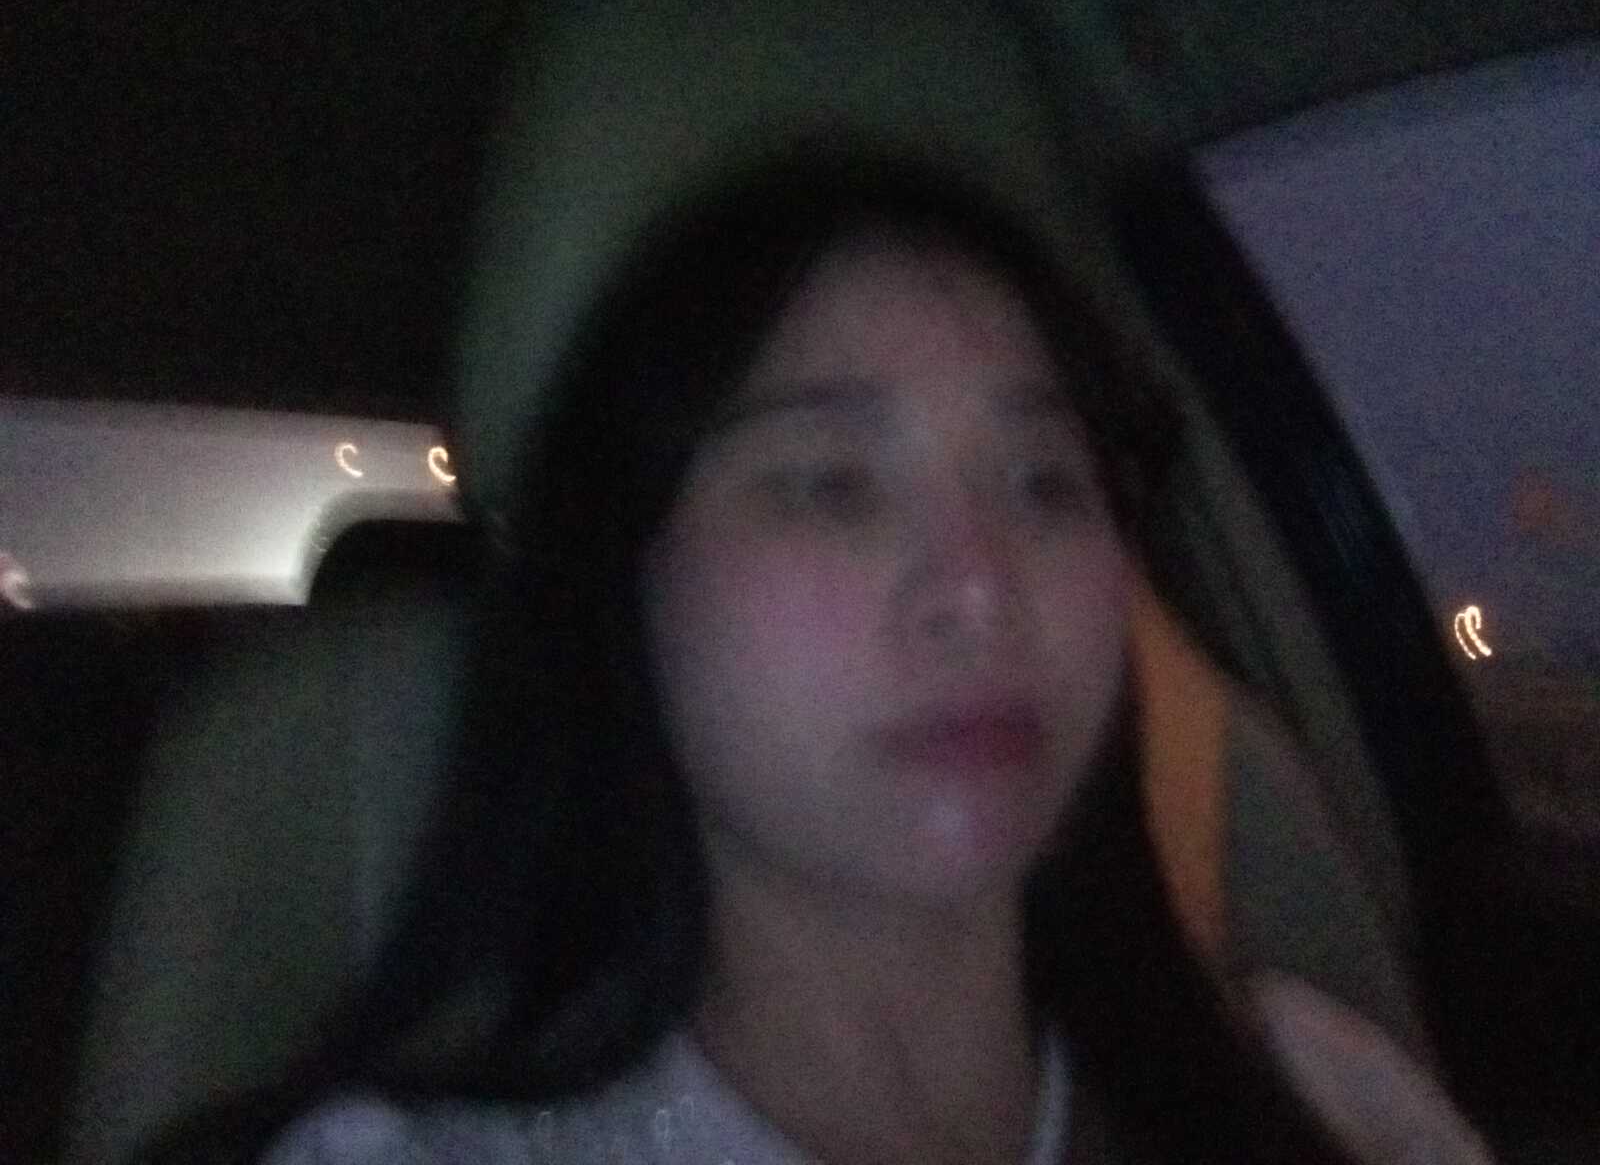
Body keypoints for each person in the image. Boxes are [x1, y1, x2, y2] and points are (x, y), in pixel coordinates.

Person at [146, 159, 1400, 1164]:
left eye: (1044, 483)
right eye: (831, 486)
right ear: (621, 589)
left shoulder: (1324, 1103)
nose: (981, 588)